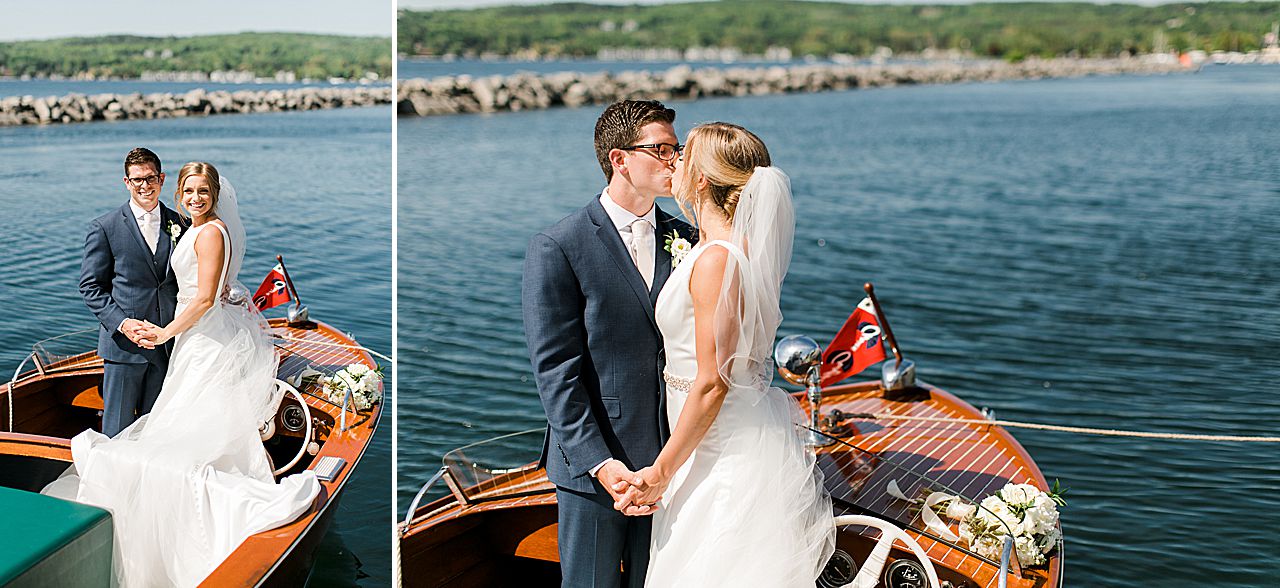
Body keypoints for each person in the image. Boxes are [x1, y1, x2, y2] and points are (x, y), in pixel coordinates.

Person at [45, 162, 321, 587]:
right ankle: (129, 512)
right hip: (152, 344)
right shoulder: (160, 226)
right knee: (141, 427)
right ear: (173, 192)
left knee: (184, 426)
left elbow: (206, 295)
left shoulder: (207, 230)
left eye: (202, 191)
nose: (195, 197)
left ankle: (176, 519)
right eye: (188, 190)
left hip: (191, 338)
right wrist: (133, 326)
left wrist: (165, 331)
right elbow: (93, 286)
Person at [617, 123, 836, 586]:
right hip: (723, 435)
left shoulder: (716, 260)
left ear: (701, 180)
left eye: (682, 156)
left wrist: (661, 470)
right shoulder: (741, 251)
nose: (671, 162)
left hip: (714, 450)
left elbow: (712, 381)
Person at [521, 99, 695, 588]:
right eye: (661, 149)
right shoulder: (559, 246)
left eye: (676, 149)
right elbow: (556, 371)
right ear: (620, 159)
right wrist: (601, 462)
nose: (675, 161)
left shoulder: (690, 238)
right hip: (595, 468)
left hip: (675, 460)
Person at [80, 147, 185, 436]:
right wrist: (124, 324)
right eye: (137, 179)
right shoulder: (104, 227)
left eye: (150, 178)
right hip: (124, 348)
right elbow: (90, 287)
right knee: (117, 430)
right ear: (126, 182)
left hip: (168, 344)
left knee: (158, 428)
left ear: (161, 179)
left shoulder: (181, 224)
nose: (144, 186)